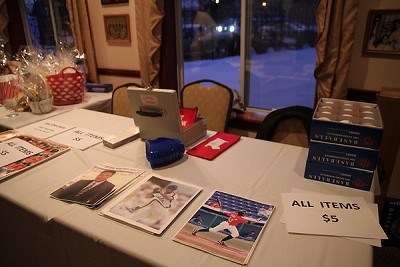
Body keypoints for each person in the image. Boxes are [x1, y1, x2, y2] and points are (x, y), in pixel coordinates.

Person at [192, 210, 260, 246]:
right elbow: (250, 223)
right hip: (226, 224)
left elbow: (226, 213)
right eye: (244, 213)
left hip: (231, 225)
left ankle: (221, 240)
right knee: (213, 230)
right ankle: (197, 230)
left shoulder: (234, 213)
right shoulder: (240, 218)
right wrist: (256, 221)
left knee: (236, 234)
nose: (245, 214)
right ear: (242, 214)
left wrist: (223, 211)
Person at [51, 170, 116, 206]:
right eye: (101, 174)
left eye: (106, 176)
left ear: (110, 177)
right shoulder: (82, 181)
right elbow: (65, 191)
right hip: (61, 201)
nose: (101, 176)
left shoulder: (109, 186)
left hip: (79, 205)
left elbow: (96, 200)